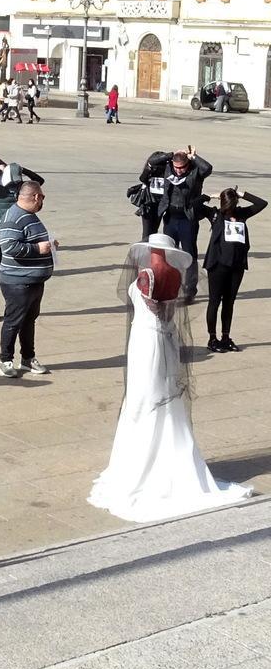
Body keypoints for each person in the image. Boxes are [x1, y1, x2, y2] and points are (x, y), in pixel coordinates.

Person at [88, 234, 253, 522]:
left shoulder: (148, 275)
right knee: (161, 395)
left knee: (143, 398)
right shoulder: (173, 273)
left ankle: (143, 464)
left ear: (152, 250)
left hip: (145, 340)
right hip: (164, 338)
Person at [0, 180, 56, 378]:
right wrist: (38, 249)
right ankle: (5, 360)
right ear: (35, 197)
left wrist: (48, 245)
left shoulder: (29, 216)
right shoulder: (13, 218)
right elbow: (9, 247)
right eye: (42, 198)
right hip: (17, 281)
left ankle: (28, 358)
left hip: (34, 280)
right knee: (13, 321)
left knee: (28, 320)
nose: (42, 202)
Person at [202, 187, 267, 351]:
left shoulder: (241, 214)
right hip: (217, 265)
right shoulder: (216, 215)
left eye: (232, 205)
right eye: (227, 206)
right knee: (214, 302)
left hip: (236, 266)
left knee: (229, 303)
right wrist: (210, 196)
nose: (229, 209)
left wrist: (242, 194)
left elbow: (262, 203)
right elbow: (194, 205)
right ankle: (212, 338)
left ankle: (225, 337)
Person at [0, 156, 45, 323]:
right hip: (15, 233)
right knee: (11, 269)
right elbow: (39, 181)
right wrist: (22, 169)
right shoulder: (19, 190)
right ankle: (10, 303)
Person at [148, 146, 213, 300]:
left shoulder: (195, 172)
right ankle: (170, 286)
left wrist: (192, 157)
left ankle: (190, 290)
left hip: (187, 219)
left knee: (189, 254)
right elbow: (152, 161)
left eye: (181, 168)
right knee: (169, 253)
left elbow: (208, 168)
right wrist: (172, 154)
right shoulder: (168, 168)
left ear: (187, 165)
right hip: (170, 218)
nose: (178, 171)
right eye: (176, 168)